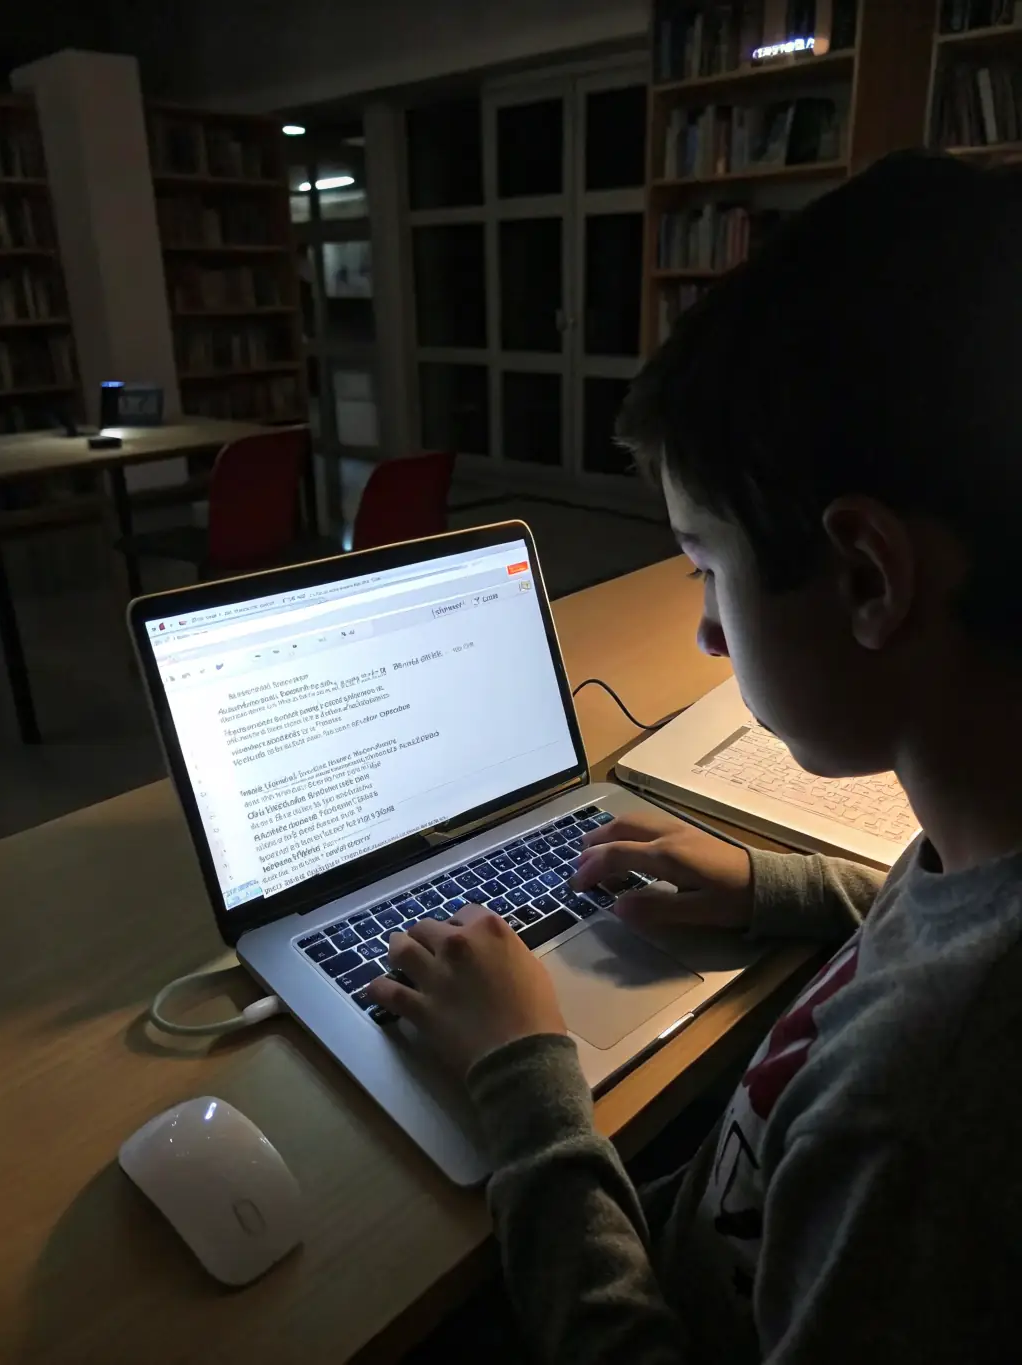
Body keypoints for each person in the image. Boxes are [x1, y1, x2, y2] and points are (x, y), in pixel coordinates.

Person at [367, 151, 1022, 1363]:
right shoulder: (988, 816)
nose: (708, 630)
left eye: (702, 566)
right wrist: (766, 887)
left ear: (867, 578)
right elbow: (940, 918)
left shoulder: (914, 1120)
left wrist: (526, 1087)